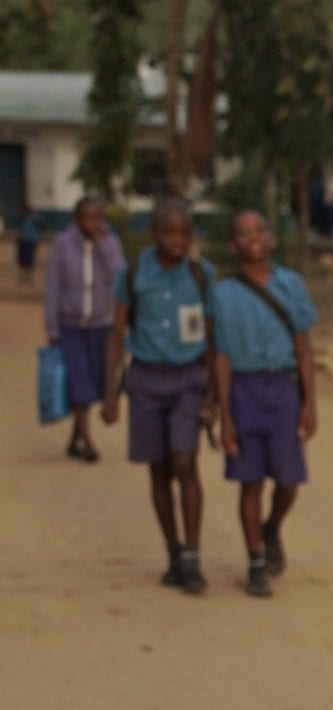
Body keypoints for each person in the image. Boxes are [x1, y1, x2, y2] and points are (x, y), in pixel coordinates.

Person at [103, 197, 216, 593]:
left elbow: (215, 340)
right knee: (158, 469)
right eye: (168, 232)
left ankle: (192, 556)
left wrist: (213, 397)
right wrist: (110, 392)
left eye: (184, 232)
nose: (177, 240)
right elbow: (117, 334)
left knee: (185, 462)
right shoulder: (134, 274)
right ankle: (172, 551)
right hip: (147, 381)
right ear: (154, 234)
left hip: (189, 381)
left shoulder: (202, 275)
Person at [210, 209, 318, 599]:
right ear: (233, 244)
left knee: (289, 481)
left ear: (270, 237)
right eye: (243, 232)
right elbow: (220, 357)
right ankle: (255, 559)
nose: (253, 237)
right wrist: (225, 416)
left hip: (284, 389)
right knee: (249, 479)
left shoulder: (291, 285)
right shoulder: (222, 295)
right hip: (244, 390)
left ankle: (271, 527)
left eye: (260, 229)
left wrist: (309, 404)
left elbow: (304, 348)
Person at [42, 195, 125, 463]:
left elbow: (120, 278)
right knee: (79, 381)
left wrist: (104, 249)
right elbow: (53, 286)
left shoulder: (111, 244)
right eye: (88, 218)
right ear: (77, 219)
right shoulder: (63, 244)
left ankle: (73, 438)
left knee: (97, 379)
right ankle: (86, 440)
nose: (93, 223)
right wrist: (52, 326)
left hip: (101, 324)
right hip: (71, 325)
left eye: (98, 218)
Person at [16, 200, 40, 283]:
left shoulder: (34, 218)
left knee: (30, 259)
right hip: (24, 240)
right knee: (23, 259)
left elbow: (41, 225)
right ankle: (24, 276)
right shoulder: (22, 218)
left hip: (31, 241)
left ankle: (29, 276)